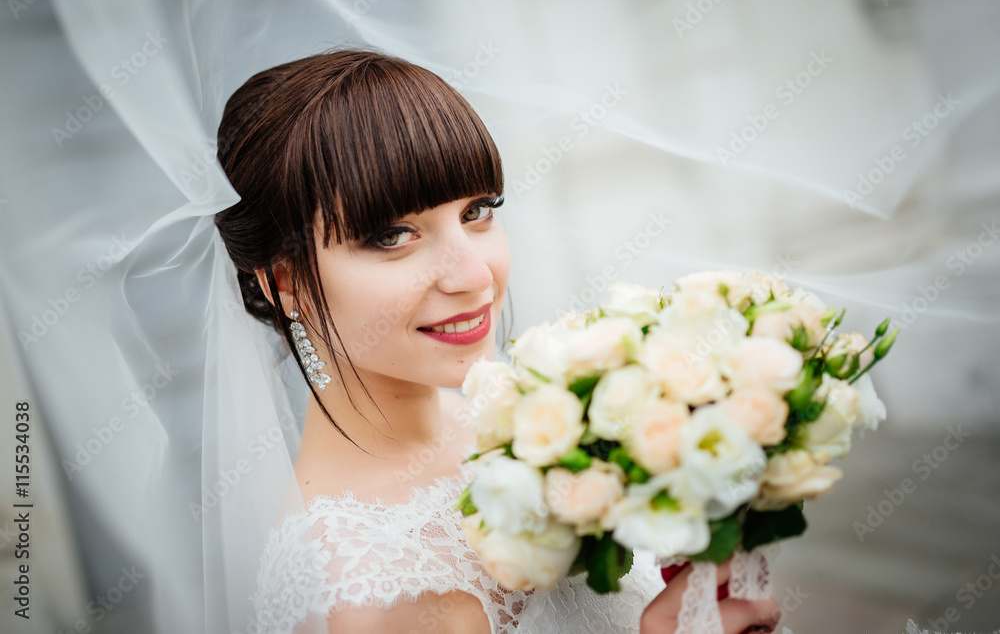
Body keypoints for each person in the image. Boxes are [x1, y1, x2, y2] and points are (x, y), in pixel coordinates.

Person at [214, 48, 781, 634]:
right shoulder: (369, 593)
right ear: (285, 282)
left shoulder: (518, 422)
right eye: (393, 236)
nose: (474, 275)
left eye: (478, 210)